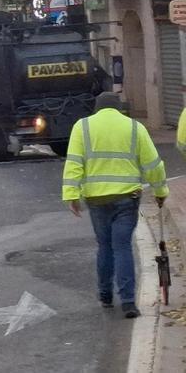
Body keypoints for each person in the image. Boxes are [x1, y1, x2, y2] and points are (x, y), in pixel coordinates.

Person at [63, 92, 169, 318]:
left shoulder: (82, 128)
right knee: (122, 246)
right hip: (126, 199)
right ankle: (129, 302)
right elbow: (153, 165)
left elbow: (74, 164)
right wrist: (160, 191)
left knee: (104, 246)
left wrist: (71, 195)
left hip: (97, 200)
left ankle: (105, 295)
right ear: (119, 109)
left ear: (97, 108)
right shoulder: (134, 128)